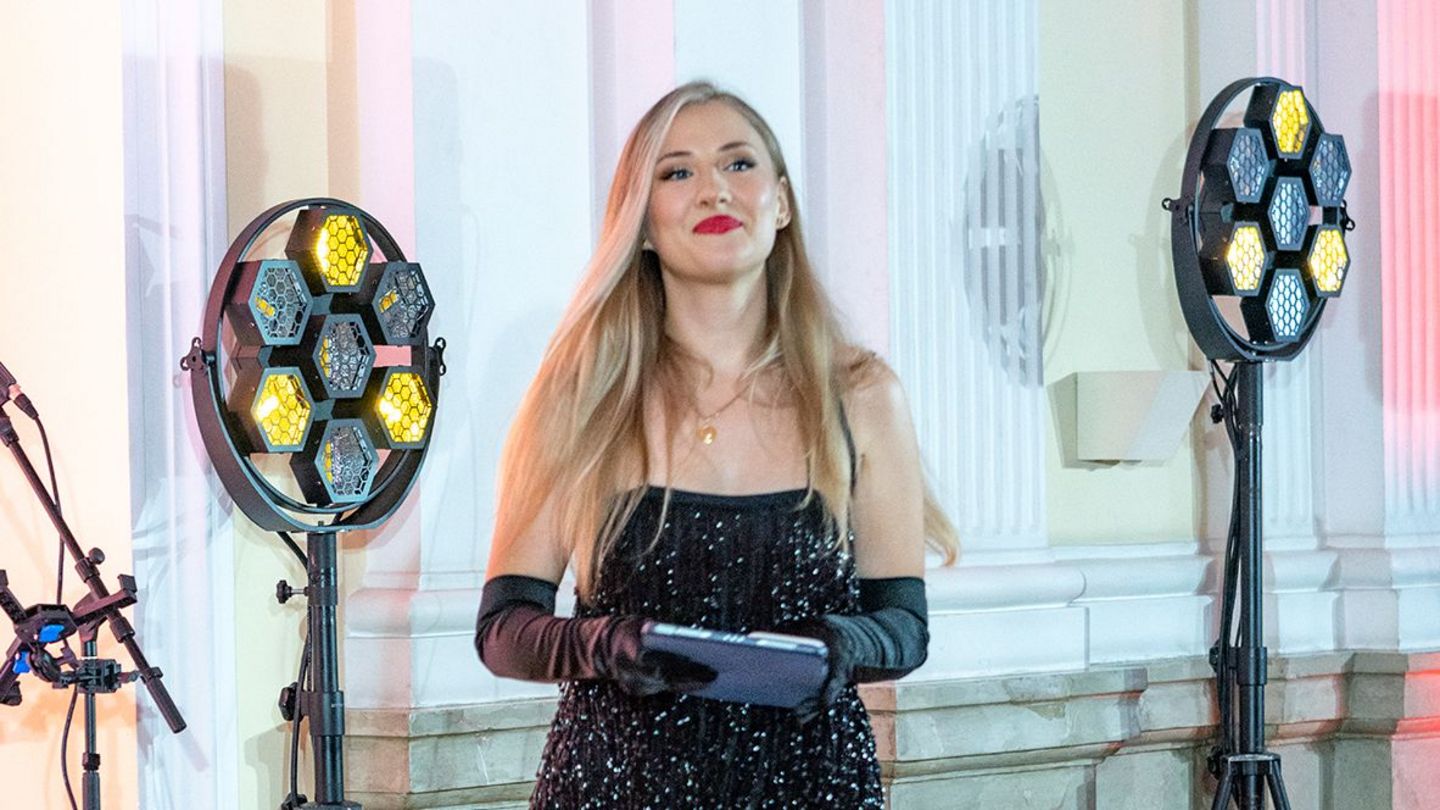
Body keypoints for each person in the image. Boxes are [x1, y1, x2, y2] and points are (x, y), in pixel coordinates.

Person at [475, 81, 958, 809]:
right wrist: (608, 645)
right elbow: (503, 631)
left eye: (738, 164)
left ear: (781, 203)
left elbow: (906, 627)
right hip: (616, 788)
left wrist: (837, 647)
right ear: (641, 222)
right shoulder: (581, 399)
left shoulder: (862, 394)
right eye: (677, 172)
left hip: (812, 787)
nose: (713, 190)